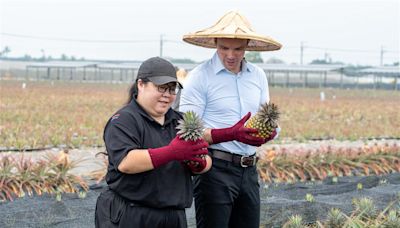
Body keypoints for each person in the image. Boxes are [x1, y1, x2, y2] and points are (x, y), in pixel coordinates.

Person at [180, 11, 282, 228]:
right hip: (215, 170)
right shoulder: (199, 77)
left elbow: (267, 116)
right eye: (224, 48)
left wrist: (271, 131)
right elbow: (187, 134)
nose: (230, 55)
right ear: (215, 43)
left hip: (249, 170)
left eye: (237, 48)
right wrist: (230, 133)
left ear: (247, 46)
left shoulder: (257, 76)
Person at [95, 57, 212, 228]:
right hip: (132, 214)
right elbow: (126, 162)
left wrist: (198, 163)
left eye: (172, 90)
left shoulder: (181, 121)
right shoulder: (123, 120)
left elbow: (206, 158)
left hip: (173, 217)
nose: (167, 95)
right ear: (141, 85)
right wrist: (172, 152)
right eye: (161, 88)